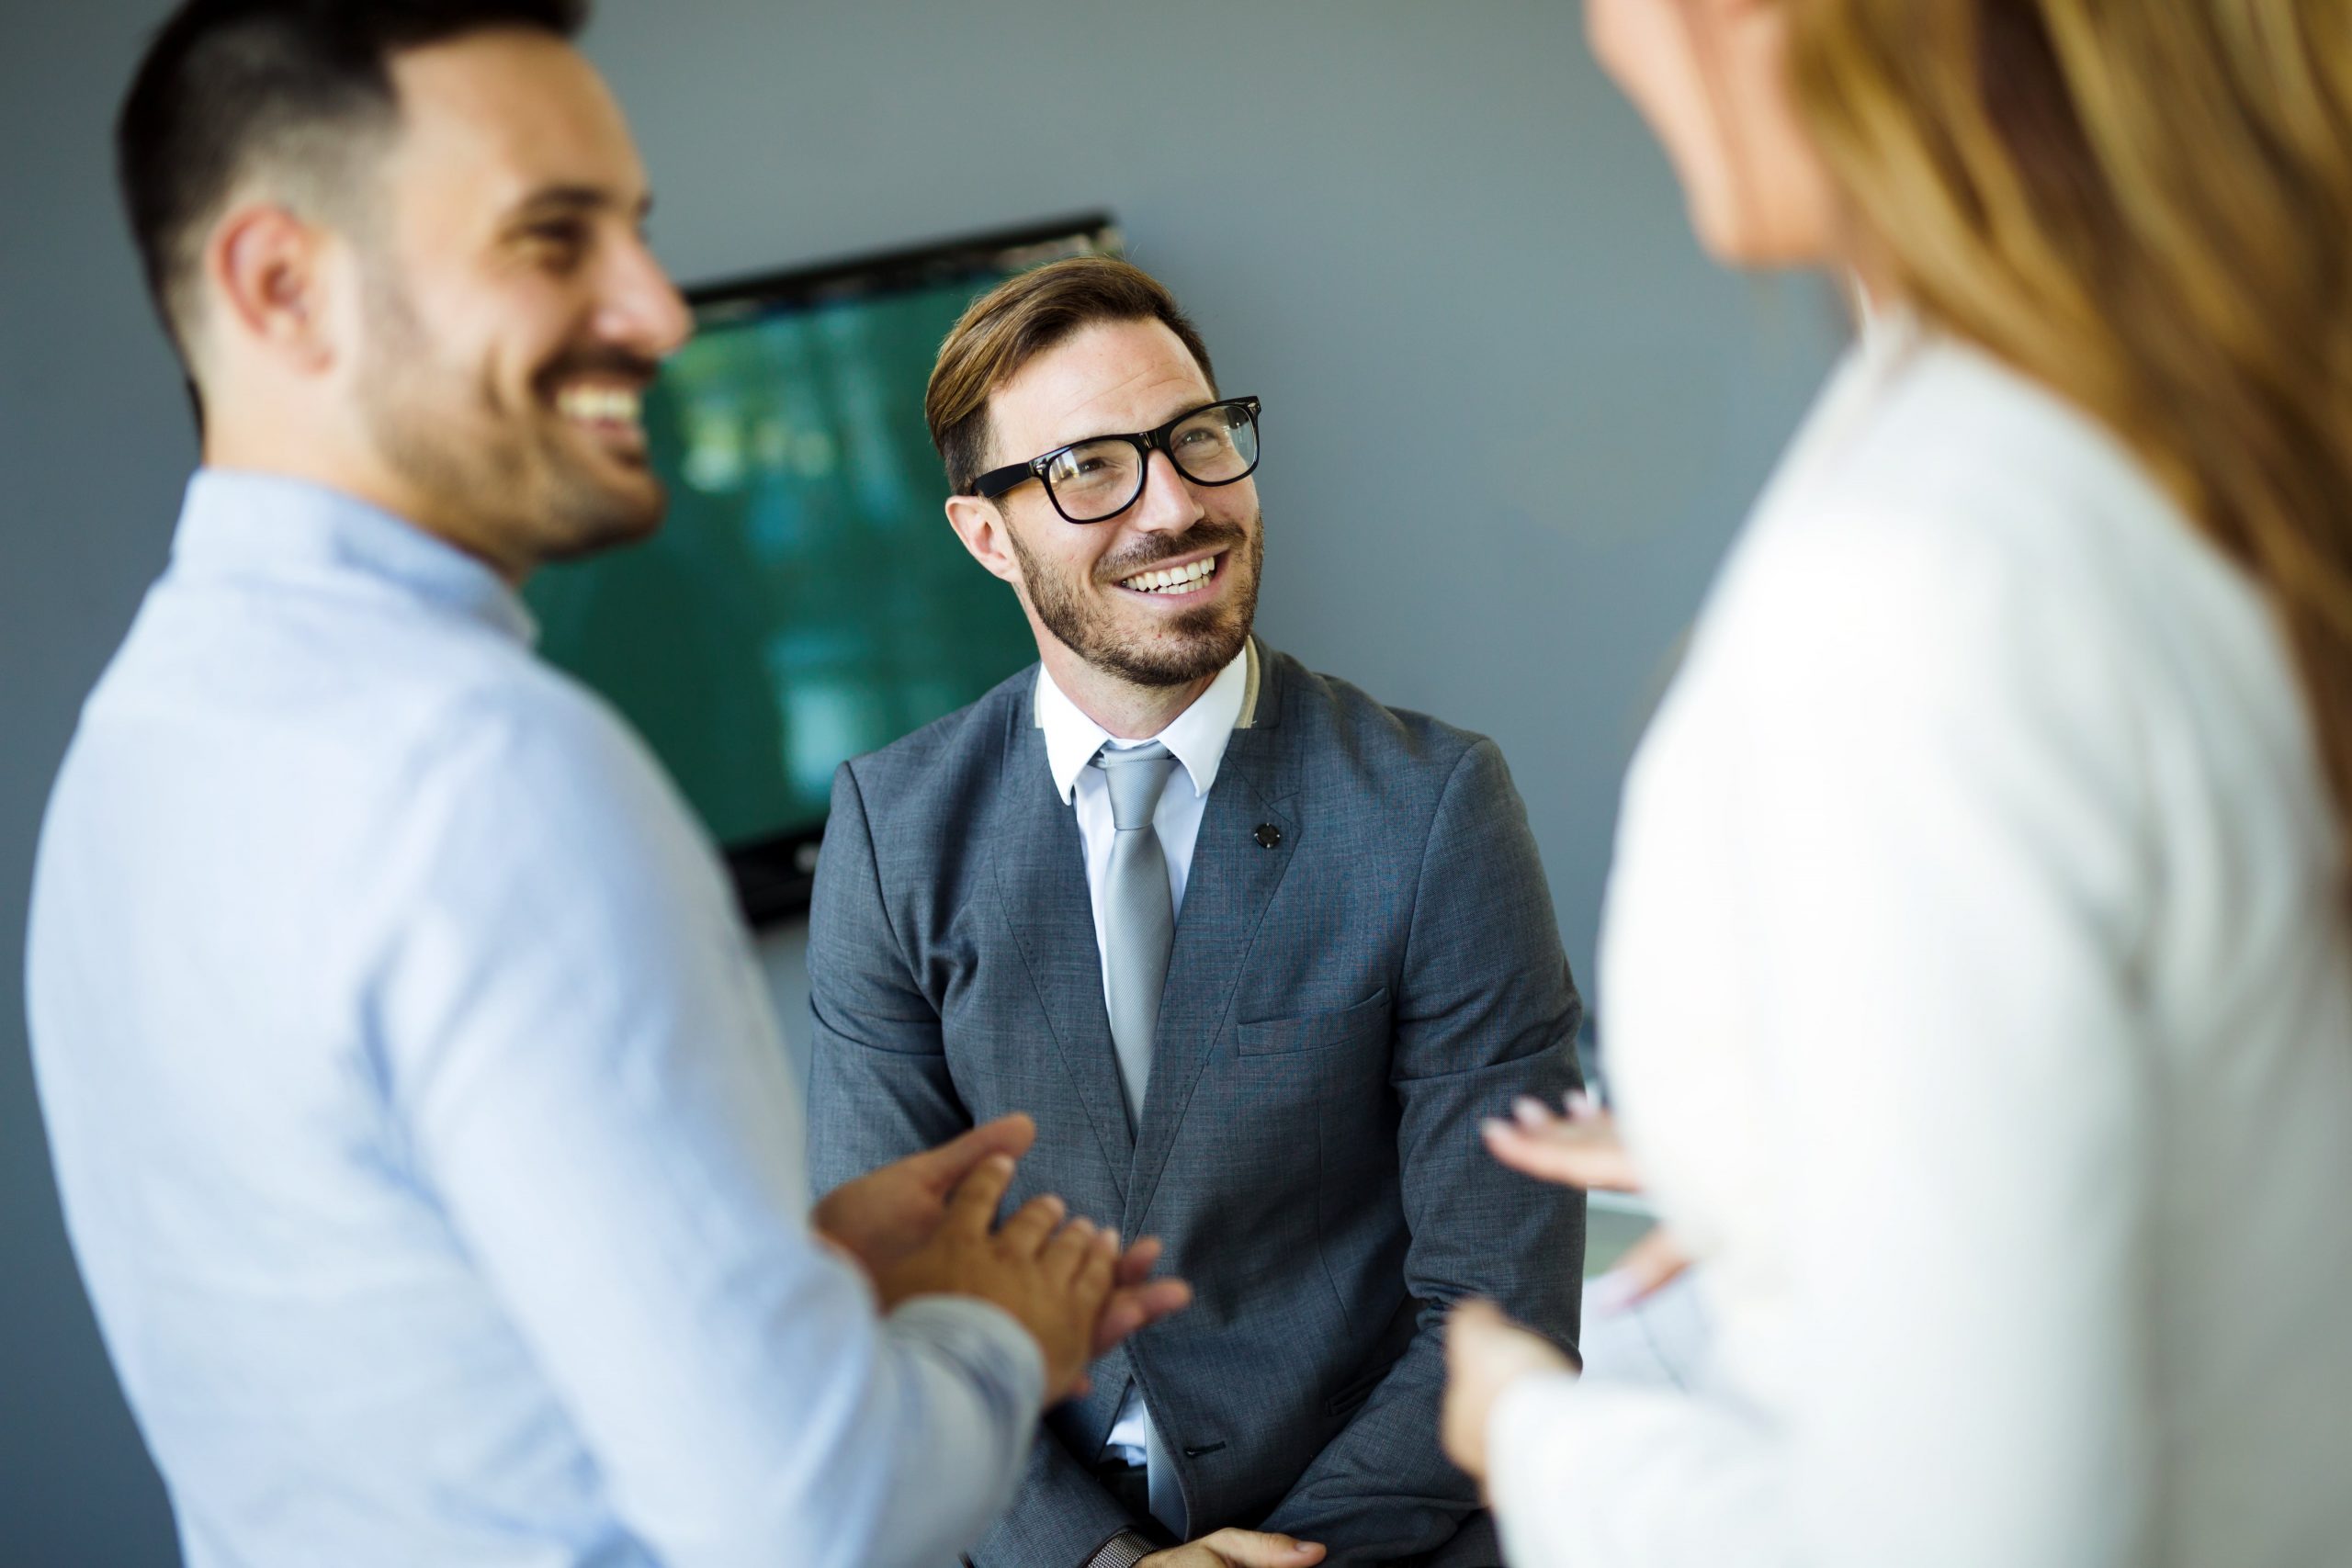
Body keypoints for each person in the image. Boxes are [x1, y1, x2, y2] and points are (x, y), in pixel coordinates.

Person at [25, 5, 1186, 1565]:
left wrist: (787, 1283)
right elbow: (809, 1518)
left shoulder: (136, 752)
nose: (654, 312)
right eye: (551, 240)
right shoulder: (490, 769)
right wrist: (997, 1334)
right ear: (281, 286)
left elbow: (406, 1359)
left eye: (634, 236)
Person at [1441, 0, 2352, 1564]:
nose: (1617, 37)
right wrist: (1819, 1142)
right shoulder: (2221, 432)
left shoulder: (1921, 576)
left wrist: (1534, 1434)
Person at [804, 255, 1587, 1568]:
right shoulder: (891, 833)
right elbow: (885, 1304)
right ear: (987, 535)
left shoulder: (1435, 807)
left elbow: (1497, 1304)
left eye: (1197, 439)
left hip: (1384, 1536)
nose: (1176, 503)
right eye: (1090, 469)